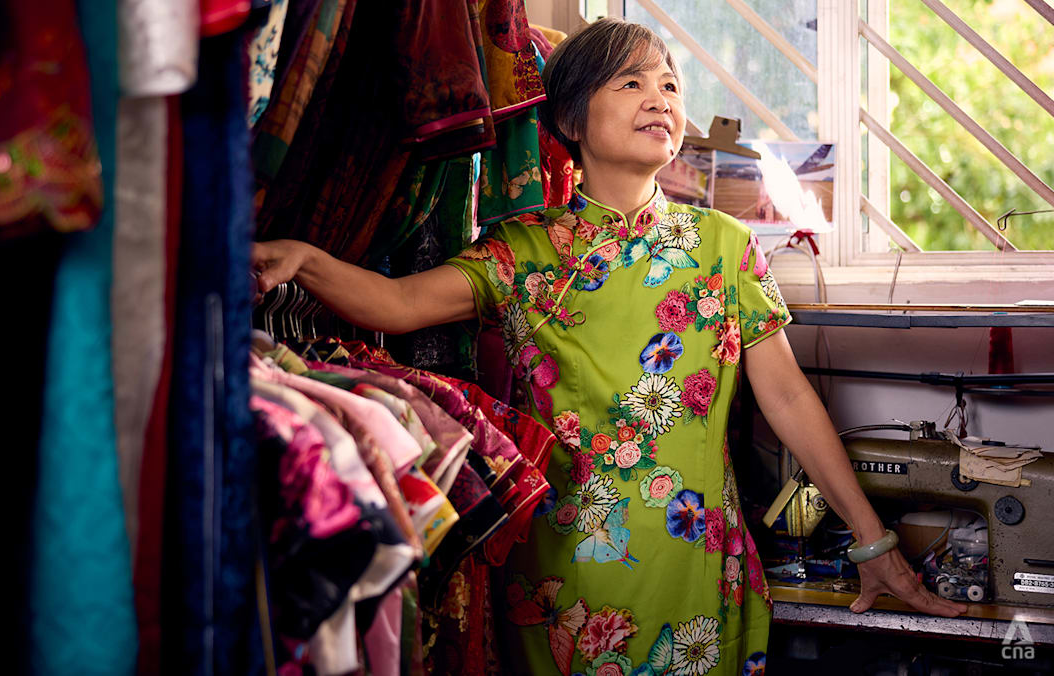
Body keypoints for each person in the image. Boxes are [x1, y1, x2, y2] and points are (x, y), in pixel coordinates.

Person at [252, 17, 966, 675]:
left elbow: (788, 399)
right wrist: (305, 260)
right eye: (630, 82)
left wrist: (873, 542)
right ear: (571, 119)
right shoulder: (521, 251)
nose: (659, 98)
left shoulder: (724, 247)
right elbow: (399, 305)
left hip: (695, 571)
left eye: (670, 85)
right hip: (559, 585)